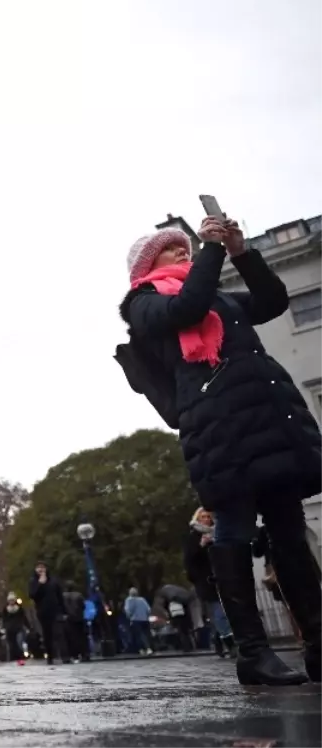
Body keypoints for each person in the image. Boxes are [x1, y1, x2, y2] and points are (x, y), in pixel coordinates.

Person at [120, 217, 322, 685]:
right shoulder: (144, 305)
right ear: (149, 265)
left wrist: (241, 253)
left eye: (187, 249)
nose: (185, 254)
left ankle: (317, 641)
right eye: (175, 251)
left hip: (266, 421)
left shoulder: (217, 296)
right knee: (232, 526)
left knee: (289, 529)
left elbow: (273, 301)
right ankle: (253, 652)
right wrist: (212, 249)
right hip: (219, 430)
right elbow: (187, 311)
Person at [183, 507, 236, 658]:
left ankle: (218, 639)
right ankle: (230, 643)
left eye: (208, 516)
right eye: (203, 517)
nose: (206, 519)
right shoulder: (193, 537)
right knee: (220, 613)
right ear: (197, 519)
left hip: (224, 577)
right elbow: (189, 560)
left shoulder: (218, 533)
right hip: (206, 581)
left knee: (227, 612)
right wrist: (201, 546)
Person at [28, 561, 68, 664]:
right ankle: (50, 657)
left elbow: (60, 596)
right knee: (47, 635)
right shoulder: (33, 581)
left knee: (59, 633)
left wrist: (64, 611)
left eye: (43, 567)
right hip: (43, 612)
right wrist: (40, 584)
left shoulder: (53, 581)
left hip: (55, 611)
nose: (41, 570)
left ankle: (65, 656)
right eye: (38, 568)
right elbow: (32, 595)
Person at [123, 587, 153, 655]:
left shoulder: (129, 600)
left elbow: (128, 610)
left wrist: (129, 617)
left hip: (135, 620)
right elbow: (148, 610)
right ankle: (147, 648)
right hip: (145, 619)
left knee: (138, 635)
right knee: (146, 634)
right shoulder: (142, 600)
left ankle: (143, 649)